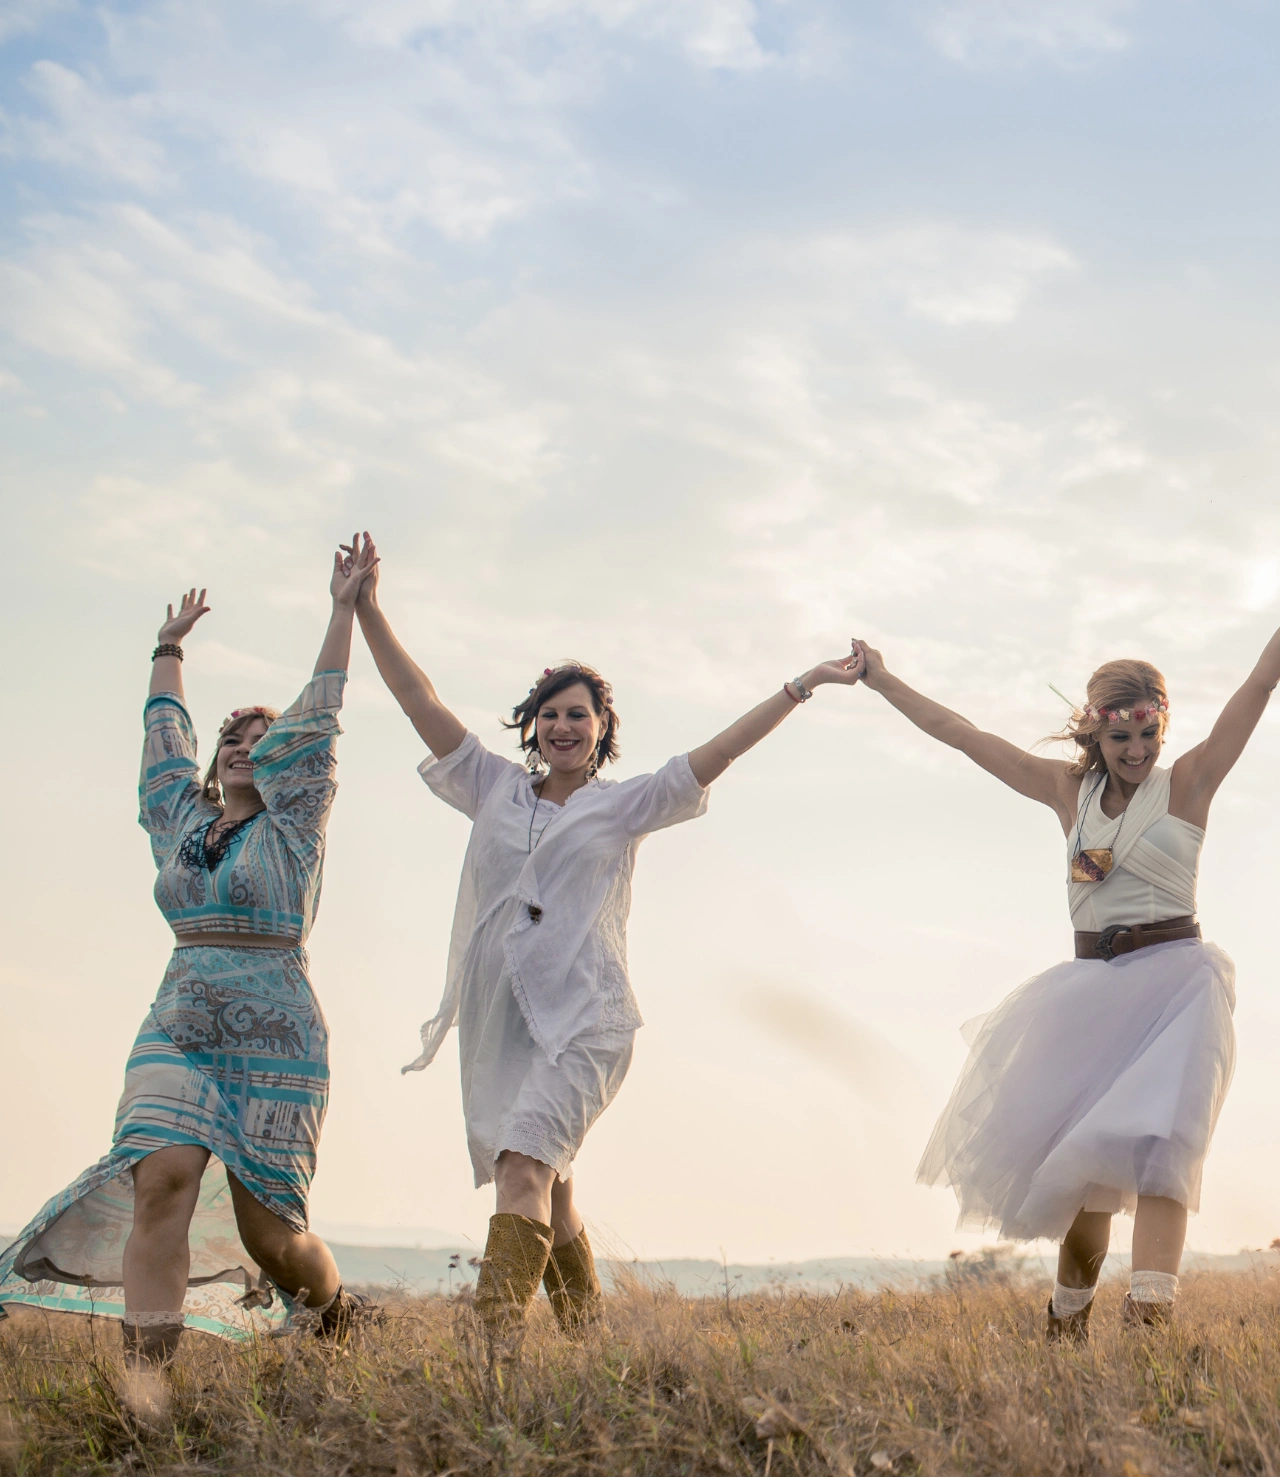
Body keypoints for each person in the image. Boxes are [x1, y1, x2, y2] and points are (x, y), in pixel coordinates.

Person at [350, 532, 861, 1343]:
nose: (562, 725)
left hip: (585, 1020)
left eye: (578, 715)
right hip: (502, 1022)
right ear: (532, 727)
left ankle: (493, 1356)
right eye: (550, 714)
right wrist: (368, 609)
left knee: (523, 1166)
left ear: (600, 728)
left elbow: (719, 752)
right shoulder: (491, 787)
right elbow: (419, 700)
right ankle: (591, 1343)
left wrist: (802, 685)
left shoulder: (624, 805)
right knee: (552, 1193)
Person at [0, 545, 378, 1369]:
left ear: (288, 763)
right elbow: (164, 740)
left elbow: (320, 711)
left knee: (272, 1236)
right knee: (162, 1177)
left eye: (263, 739)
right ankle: (147, 1385)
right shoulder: (180, 820)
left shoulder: (295, 825)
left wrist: (343, 610)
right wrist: (168, 649)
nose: (246, 746)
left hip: (275, 1037)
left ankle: (334, 1309)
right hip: (177, 1023)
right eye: (233, 737)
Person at [854, 634, 1280, 1337]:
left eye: (1148, 734)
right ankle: (1067, 1321)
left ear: (1162, 727)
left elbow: (1260, 684)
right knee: (1087, 1175)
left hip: (1177, 988)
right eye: (1120, 737)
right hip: (1090, 995)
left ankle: (1150, 1323)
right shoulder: (1068, 792)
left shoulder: (1190, 781)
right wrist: (882, 680)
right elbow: (961, 733)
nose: (1137, 750)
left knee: (1164, 1152)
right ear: (1094, 732)